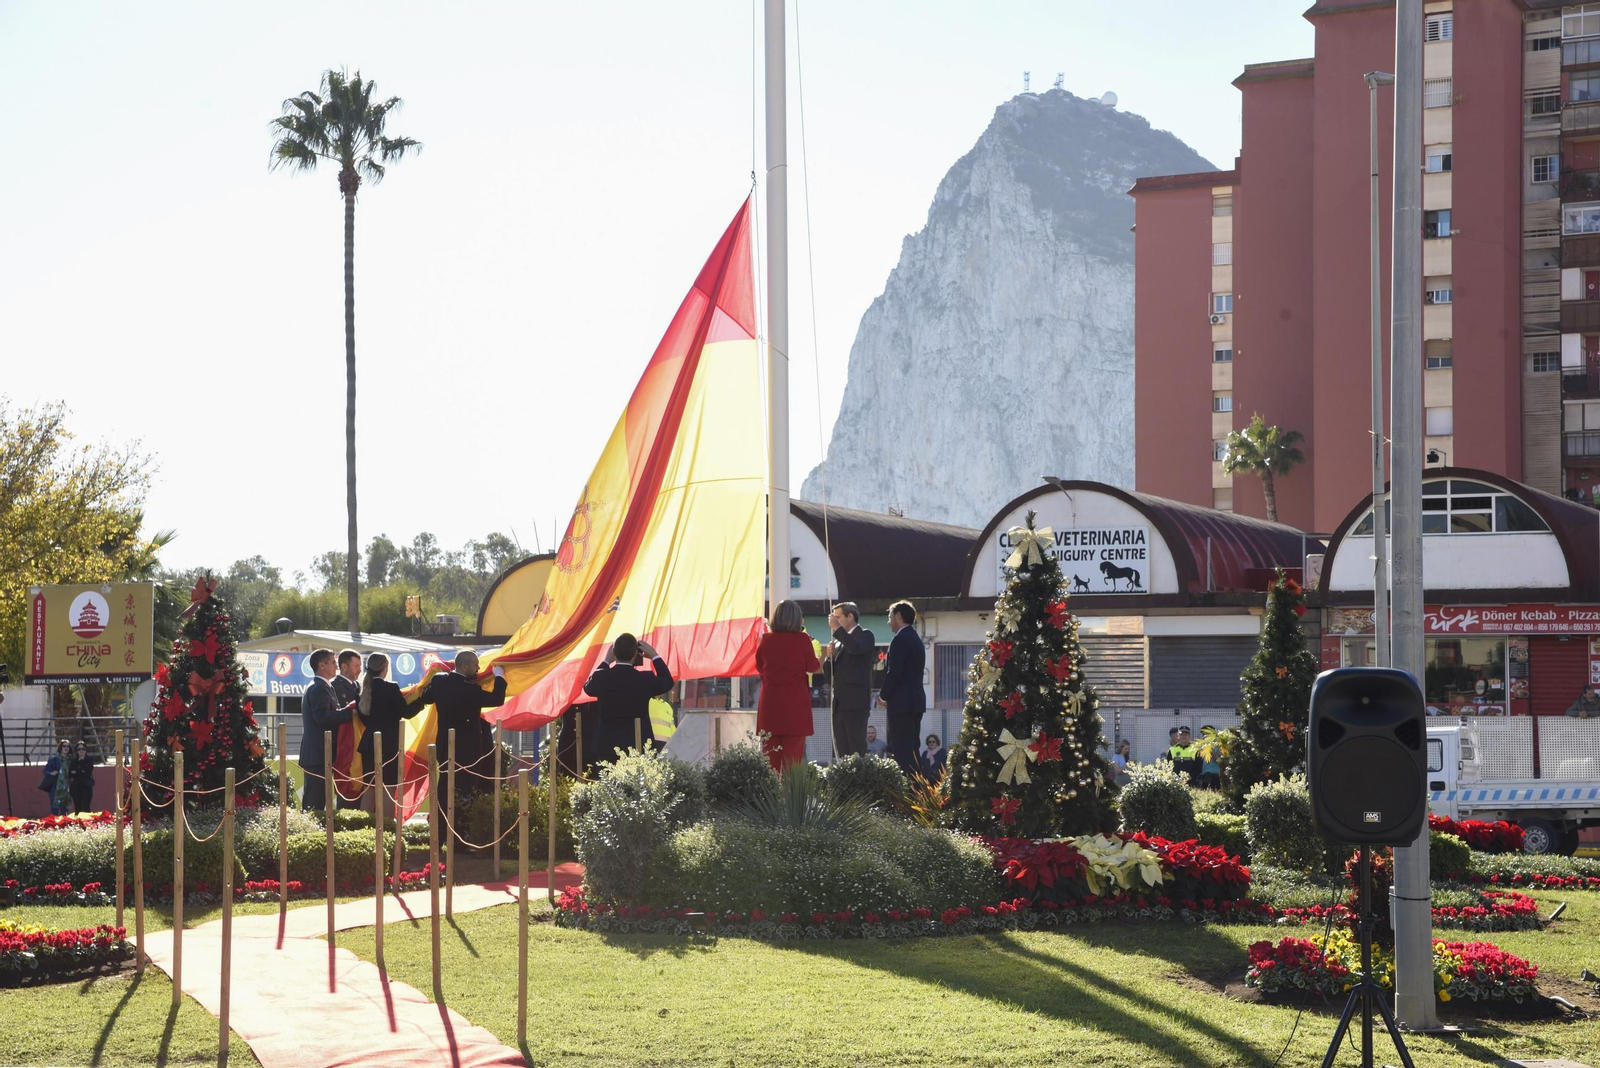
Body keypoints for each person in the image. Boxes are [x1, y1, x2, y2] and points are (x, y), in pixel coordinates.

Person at [413, 651, 508, 822]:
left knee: (445, 788)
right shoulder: (470, 689)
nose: (478, 668)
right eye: (475, 665)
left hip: (444, 746)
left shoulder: (439, 681)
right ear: (464, 666)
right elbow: (497, 698)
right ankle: (461, 832)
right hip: (467, 751)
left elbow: (426, 698)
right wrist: (499, 677)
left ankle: (441, 828)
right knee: (465, 790)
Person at [583, 634, 673, 763]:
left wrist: (606, 661)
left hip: (607, 745)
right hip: (637, 743)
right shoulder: (645, 679)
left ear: (614, 652)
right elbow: (667, 681)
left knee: (609, 782)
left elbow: (588, 688)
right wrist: (654, 656)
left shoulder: (601, 677)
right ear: (636, 653)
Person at [755, 600, 820, 772]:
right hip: (795, 707)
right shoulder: (803, 640)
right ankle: (790, 798)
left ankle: (770, 798)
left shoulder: (766, 640)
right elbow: (813, 667)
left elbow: (759, 667)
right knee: (793, 765)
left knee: (770, 764)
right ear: (798, 619)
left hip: (770, 706)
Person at [355, 652, 424, 813]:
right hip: (389, 746)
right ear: (385, 668)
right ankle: (387, 830)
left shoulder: (362, 690)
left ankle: (362, 829)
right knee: (388, 789)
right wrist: (423, 700)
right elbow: (406, 712)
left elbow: (364, 718)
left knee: (370, 789)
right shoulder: (390, 688)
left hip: (368, 745)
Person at [299, 648, 351, 811]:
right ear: (321, 665)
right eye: (333, 662)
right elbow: (322, 717)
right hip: (318, 754)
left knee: (320, 802)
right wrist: (350, 714)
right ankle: (308, 835)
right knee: (314, 804)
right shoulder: (318, 687)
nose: (337, 667)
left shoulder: (324, 686)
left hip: (322, 754)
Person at [879, 600, 926, 778]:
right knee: (913, 749)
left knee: (902, 752)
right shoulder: (915, 638)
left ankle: (908, 794)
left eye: (890, 616)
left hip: (901, 705)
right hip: (915, 703)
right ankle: (919, 792)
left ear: (898, 616)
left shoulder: (900, 639)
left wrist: (883, 696)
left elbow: (894, 672)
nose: (888, 621)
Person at [825, 601, 876, 759]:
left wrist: (838, 629)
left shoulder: (865, 635)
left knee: (856, 748)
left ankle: (860, 781)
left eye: (838, 617)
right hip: (839, 703)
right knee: (841, 748)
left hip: (856, 704)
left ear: (850, 616)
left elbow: (856, 648)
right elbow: (830, 675)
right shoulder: (841, 641)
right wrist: (828, 658)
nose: (835, 621)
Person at [40, 740, 71, 816]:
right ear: (60, 748)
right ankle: (53, 824)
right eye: (64, 746)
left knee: (64, 809)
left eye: (68, 746)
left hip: (66, 789)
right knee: (54, 808)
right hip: (55, 787)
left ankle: (63, 825)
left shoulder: (70, 761)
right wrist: (51, 773)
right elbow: (45, 770)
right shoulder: (54, 760)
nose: (66, 748)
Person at [68, 741, 97, 814]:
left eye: (83, 749)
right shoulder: (74, 761)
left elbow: (88, 771)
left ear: (85, 750)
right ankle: (78, 823)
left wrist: (77, 771)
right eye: (79, 749)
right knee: (78, 808)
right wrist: (81, 770)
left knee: (86, 807)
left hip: (86, 786)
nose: (81, 751)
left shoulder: (89, 760)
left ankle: (87, 823)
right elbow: (70, 773)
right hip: (75, 787)